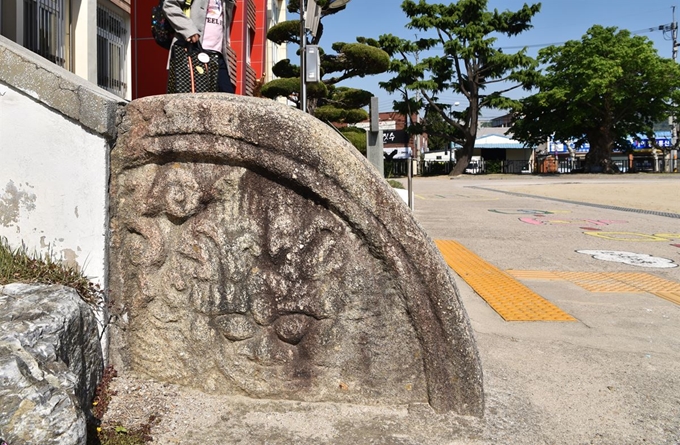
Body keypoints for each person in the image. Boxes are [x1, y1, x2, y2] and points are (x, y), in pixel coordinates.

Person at [163, 0, 236, 93]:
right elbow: (169, 5)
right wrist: (188, 29)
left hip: (217, 55)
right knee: (191, 98)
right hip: (191, 51)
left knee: (228, 98)